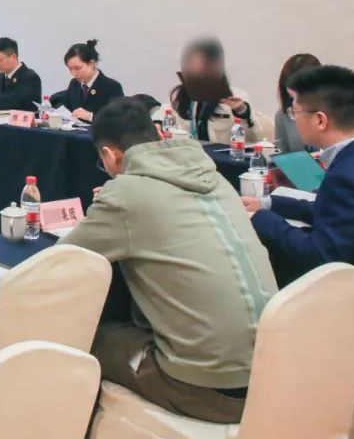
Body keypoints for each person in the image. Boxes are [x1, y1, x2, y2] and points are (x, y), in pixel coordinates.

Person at [62, 97, 277, 424]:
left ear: (110, 155)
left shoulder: (126, 193)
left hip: (207, 389)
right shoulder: (216, 179)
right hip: (270, 373)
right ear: (158, 135)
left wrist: (112, 203)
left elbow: (61, 262)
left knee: (80, 334)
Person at [245, 65, 354, 286]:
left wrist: (259, 219)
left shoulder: (348, 174)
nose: (293, 120)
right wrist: (268, 204)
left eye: (295, 112)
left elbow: (321, 257)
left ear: (320, 120)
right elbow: (335, 211)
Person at [167, 37, 263, 144]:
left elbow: (256, 138)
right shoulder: (181, 95)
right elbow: (165, 114)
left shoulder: (237, 96)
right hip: (190, 152)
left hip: (223, 153)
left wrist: (242, 112)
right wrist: (158, 122)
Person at [51, 39, 124, 122]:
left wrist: (90, 116)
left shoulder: (112, 86)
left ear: (92, 64)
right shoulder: (74, 83)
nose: (74, 73)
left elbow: (118, 118)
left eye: (77, 68)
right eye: (70, 69)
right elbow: (67, 105)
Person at [273, 53, 322, 154]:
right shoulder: (283, 114)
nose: (295, 102)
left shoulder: (336, 110)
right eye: (293, 96)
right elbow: (282, 155)